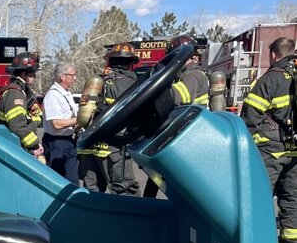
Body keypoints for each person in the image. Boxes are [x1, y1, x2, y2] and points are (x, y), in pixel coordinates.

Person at [240, 37, 297, 243]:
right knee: (294, 195)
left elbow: (250, 118)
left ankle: (259, 241)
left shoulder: (270, 80)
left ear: (273, 54)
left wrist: (244, 147)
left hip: (272, 150)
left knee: (261, 194)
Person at [144, 35, 212, 197]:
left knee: (176, 181)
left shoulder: (194, 75)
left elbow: (177, 96)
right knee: (156, 176)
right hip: (178, 135)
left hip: (188, 137)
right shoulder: (181, 75)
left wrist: (151, 93)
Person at [79, 43, 140, 193]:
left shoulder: (98, 81)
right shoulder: (131, 84)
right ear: (132, 63)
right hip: (113, 149)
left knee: (91, 194)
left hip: (89, 148)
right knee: (125, 192)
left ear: (110, 61)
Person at [0, 52, 43, 156]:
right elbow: (17, 126)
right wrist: (34, 145)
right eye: (32, 72)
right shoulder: (15, 94)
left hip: (14, 147)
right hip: (12, 149)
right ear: (23, 73)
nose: (34, 75)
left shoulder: (21, 91)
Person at [41, 61, 80, 184]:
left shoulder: (66, 93)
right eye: (72, 75)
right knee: (57, 182)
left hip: (68, 141)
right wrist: (79, 120)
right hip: (56, 143)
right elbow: (56, 124)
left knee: (73, 182)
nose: (75, 78)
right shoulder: (53, 95)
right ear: (62, 76)